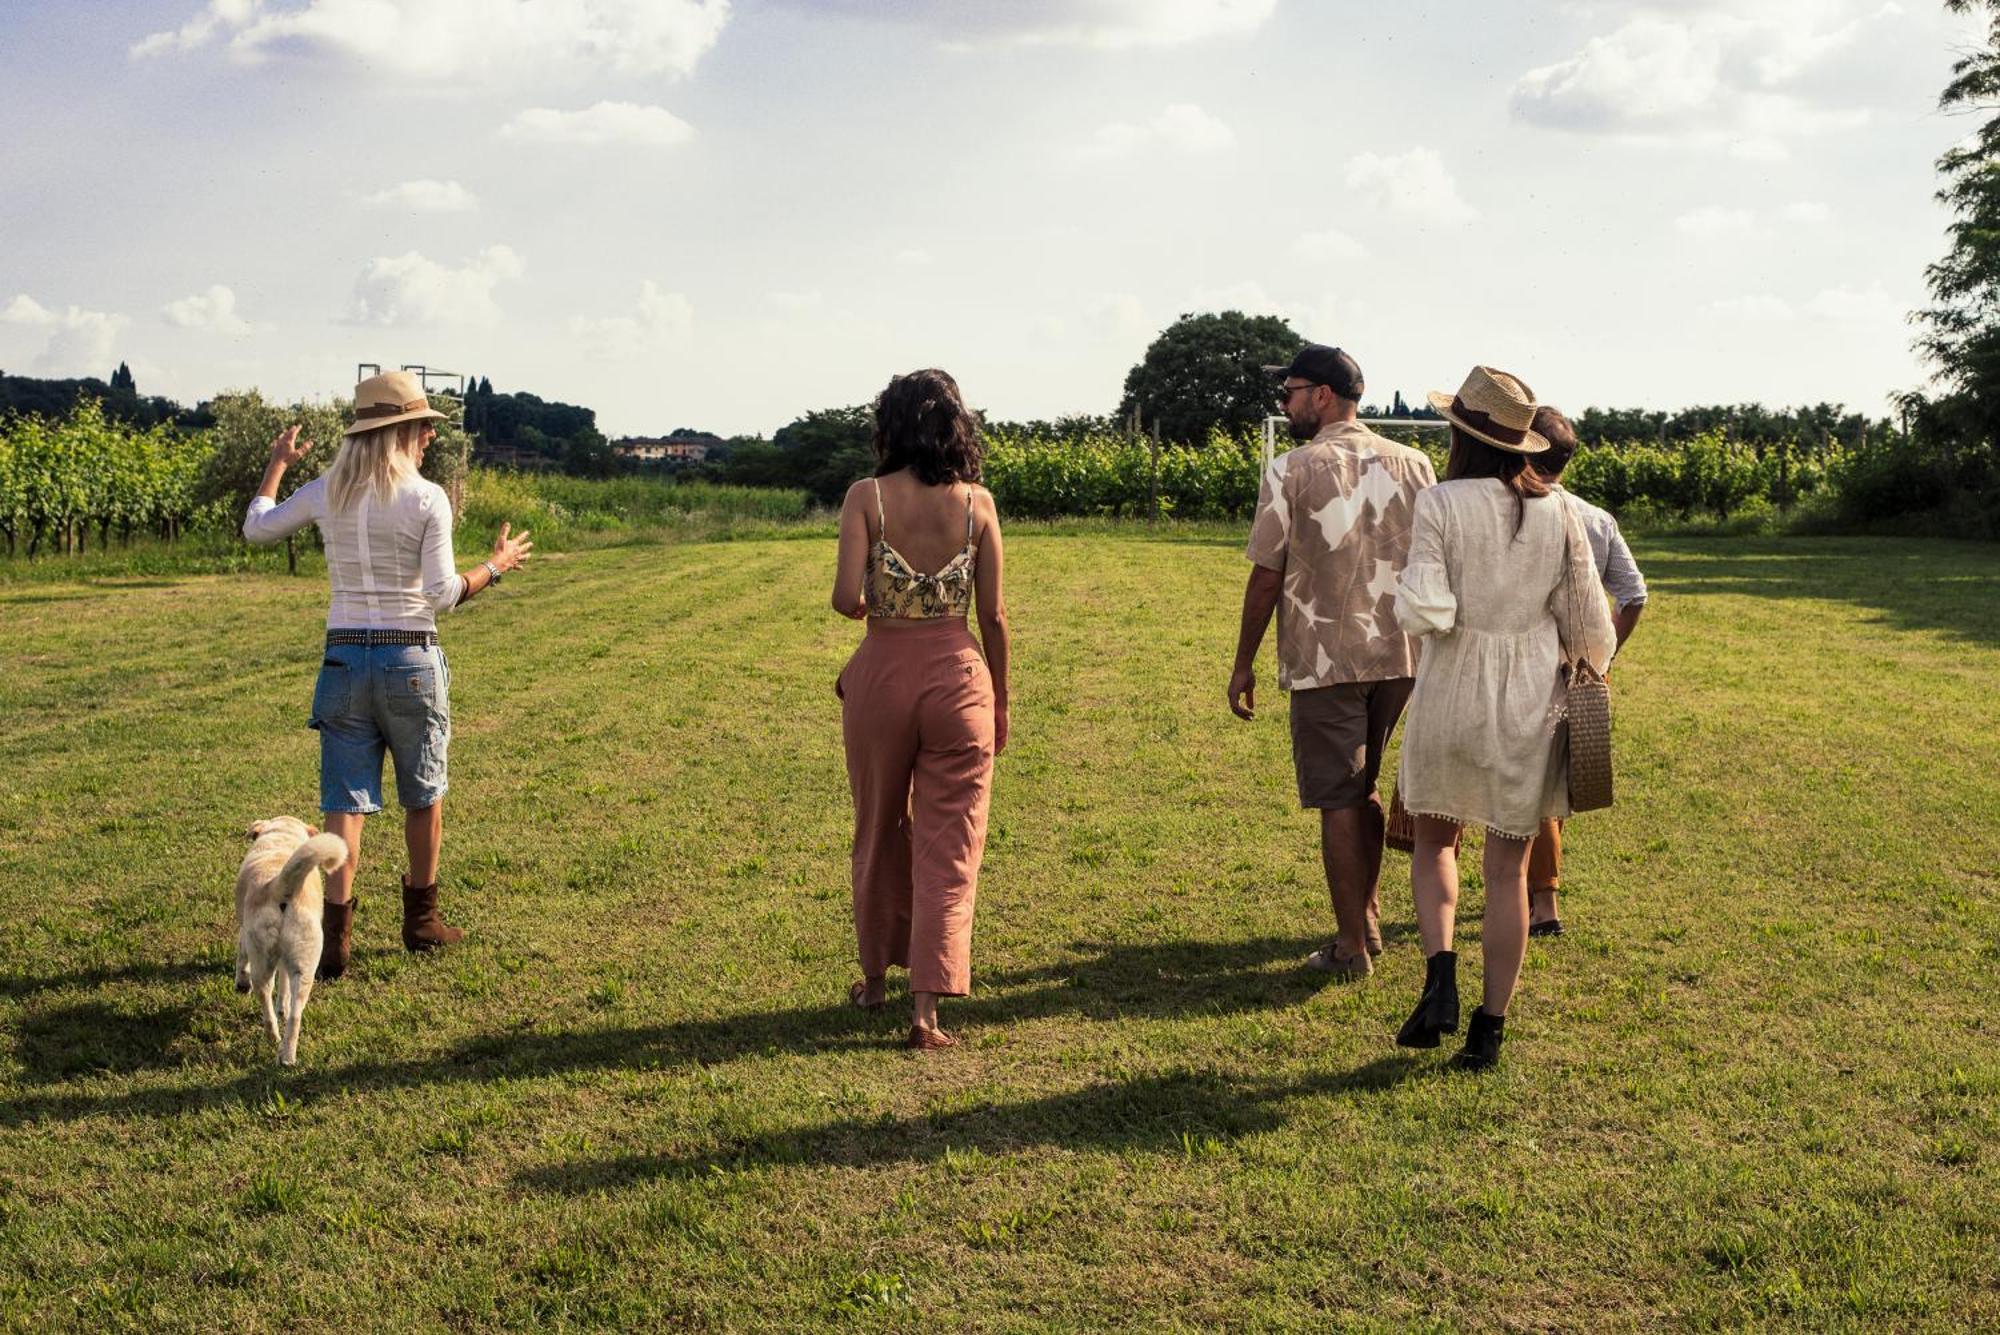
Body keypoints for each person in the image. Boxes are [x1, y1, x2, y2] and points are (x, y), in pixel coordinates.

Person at [242, 370, 533, 979]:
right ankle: (422, 921)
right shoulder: (427, 498)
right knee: (423, 792)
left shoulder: (327, 490)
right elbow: (443, 594)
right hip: (409, 657)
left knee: (343, 801)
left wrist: (276, 465)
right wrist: (497, 565)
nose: (431, 435)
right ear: (402, 431)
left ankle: (335, 934)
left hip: (344, 657)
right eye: (425, 425)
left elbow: (258, 527)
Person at [1391, 366, 1614, 1070]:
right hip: (1529, 699)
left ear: (1462, 434)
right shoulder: (1562, 511)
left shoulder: (1441, 501)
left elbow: (1426, 609)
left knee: (1434, 844)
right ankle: (1489, 1030)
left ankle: (1440, 976)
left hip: (1452, 683)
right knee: (1510, 872)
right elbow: (1591, 628)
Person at [1230, 345, 1437, 977]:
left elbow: (1268, 575)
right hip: (1403, 654)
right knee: (1364, 787)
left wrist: (1243, 662)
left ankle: (1351, 946)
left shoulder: (1290, 469)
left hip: (1326, 655)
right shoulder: (1417, 464)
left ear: (1322, 396)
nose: (1284, 404)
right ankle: (1367, 918)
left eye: (1289, 391)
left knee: (1338, 798)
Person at [831, 368, 1009, 1051]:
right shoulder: (979, 505)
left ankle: (875, 979)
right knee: (951, 847)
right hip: (962, 681)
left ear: (890, 424)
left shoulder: (866, 497)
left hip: (882, 675)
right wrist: (1003, 701)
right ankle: (927, 1009)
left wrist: (879, 595)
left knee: (877, 827)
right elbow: (992, 615)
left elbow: (848, 597)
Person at [1523, 405, 1648, 937]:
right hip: (1574, 668)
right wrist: (1602, 658)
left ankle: (1447, 882)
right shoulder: (1597, 519)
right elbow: (1634, 594)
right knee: (1545, 789)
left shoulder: (1516, 511)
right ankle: (1545, 903)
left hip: (1517, 662)